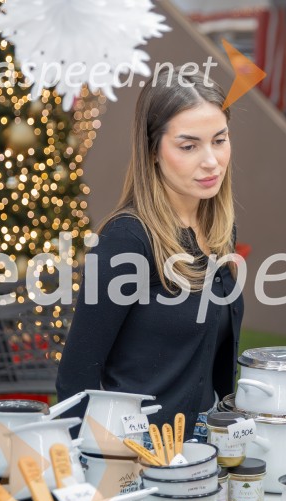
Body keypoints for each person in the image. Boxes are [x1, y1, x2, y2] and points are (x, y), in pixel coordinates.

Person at [56, 68, 244, 440]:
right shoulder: (128, 238)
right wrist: (88, 468)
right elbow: (76, 376)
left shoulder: (219, 228)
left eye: (219, 140)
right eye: (188, 146)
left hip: (204, 443)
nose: (211, 161)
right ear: (152, 150)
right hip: (137, 448)